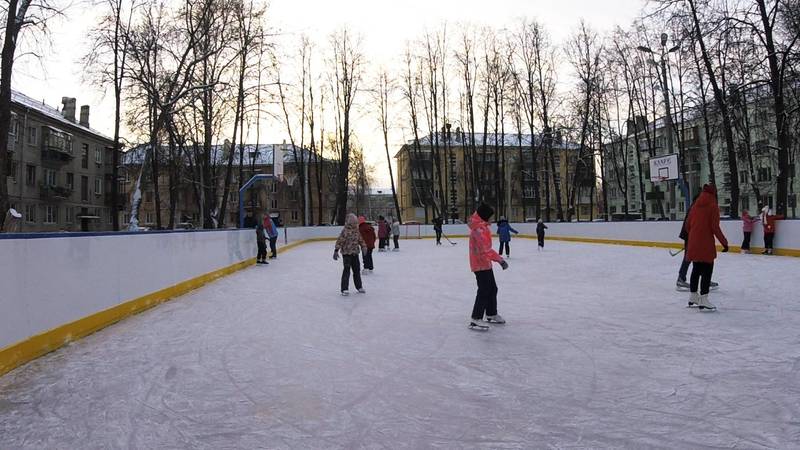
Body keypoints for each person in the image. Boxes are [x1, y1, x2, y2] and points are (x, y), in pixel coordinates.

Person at [685, 184, 728, 310]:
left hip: (693, 242)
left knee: (696, 269)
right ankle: (703, 298)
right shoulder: (713, 206)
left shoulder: (694, 206)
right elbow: (715, 227)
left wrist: (694, 235)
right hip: (706, 244)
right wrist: (724, 243)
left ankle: (693, 296)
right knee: (707, 271)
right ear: (713, 194)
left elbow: (687, 225)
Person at [468, 203, 509, 330]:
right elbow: (486, 250)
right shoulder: (478, 230)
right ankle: (476, 318)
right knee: (484, 290)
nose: (493, 218)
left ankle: (491, 313)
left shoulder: (483, 227)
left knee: (492, 289)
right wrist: (500, 260)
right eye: (491, 216)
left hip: (485, 263)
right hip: (480, 264)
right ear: (485, 216)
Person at [334, 213, 367, 296]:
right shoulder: (345, 231)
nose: (356, 224)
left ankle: (359, 286)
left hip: (355, 253)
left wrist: (364, 247)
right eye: (354, 223)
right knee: (346, 270)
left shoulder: (357, 231)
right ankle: (344, 288)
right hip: (346, 254)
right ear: (350, 223)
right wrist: (336, 251)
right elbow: (340, 241)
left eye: (356, 223)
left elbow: (361, 240)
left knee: (356, 270)